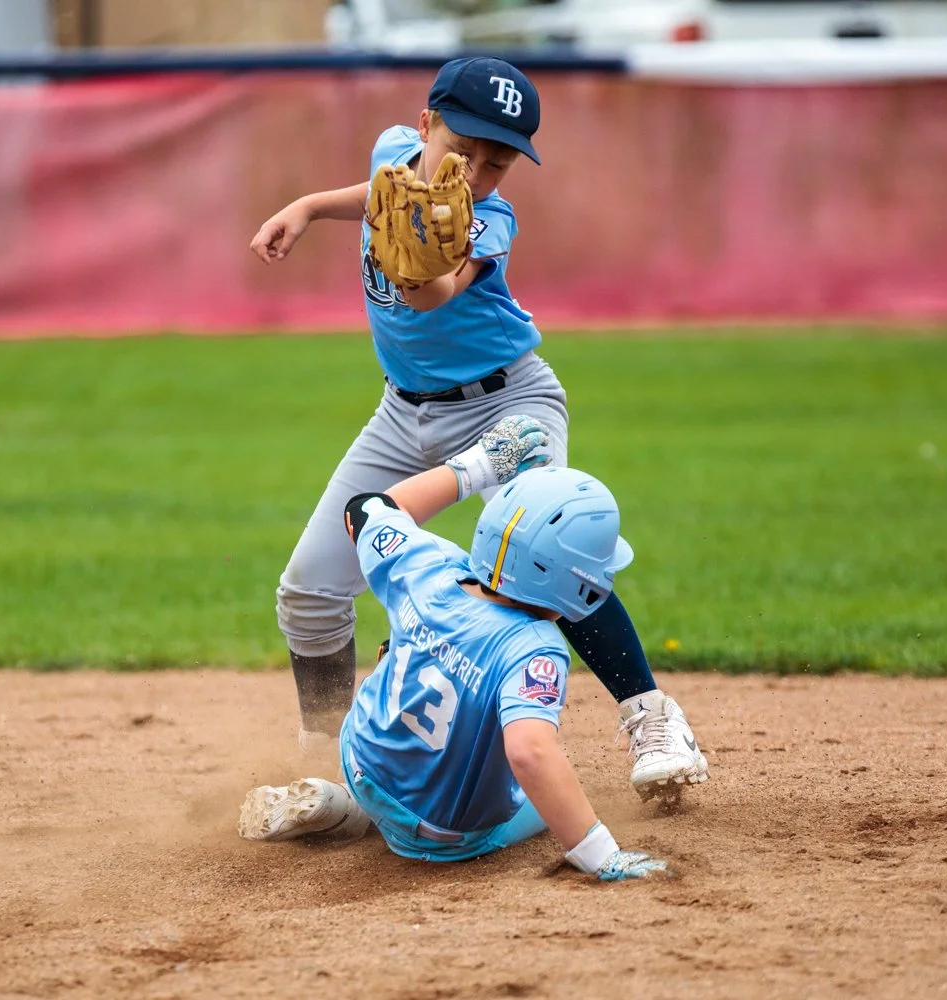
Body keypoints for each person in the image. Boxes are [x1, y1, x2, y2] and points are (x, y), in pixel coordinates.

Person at [248, 55, 707, 801]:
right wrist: (306, 206)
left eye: (499, 162)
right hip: (402, 413)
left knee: (547, 554)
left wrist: (415, 264)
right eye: (463, 151)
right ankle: (324, 756)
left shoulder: (490, 218)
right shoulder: (394, 150)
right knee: (309, 590)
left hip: (509, 406)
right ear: (425, 124)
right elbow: (378, 192)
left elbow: (432, 295)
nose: (479, 173)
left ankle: (652, 717)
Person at [238, 423, 668, 881]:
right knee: (550, 792)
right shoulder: (535, 648)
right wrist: (602, 857)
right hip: (440, 833)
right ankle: (360, 814)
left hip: (359, 758)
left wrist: (475, 468)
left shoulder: (427, 563)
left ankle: (349, 800)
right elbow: (529, 753)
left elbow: (366, 507)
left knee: (403, 649)